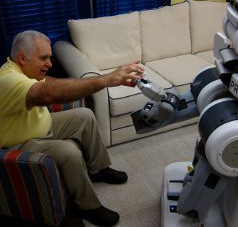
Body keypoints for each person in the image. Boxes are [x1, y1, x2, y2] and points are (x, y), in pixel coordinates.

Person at [0, 30, 144, 226]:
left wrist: (97, 79)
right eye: (44, 58)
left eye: (50, 57)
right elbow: (48, 94)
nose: (50, 64)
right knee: (69, 152)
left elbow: (52, 83)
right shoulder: (7, 80)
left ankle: (98, 169)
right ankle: (88, 206)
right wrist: (106, 79)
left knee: (85, 116)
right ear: (23, 58)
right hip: (19, 142)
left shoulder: (25, 70)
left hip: (41, 125)